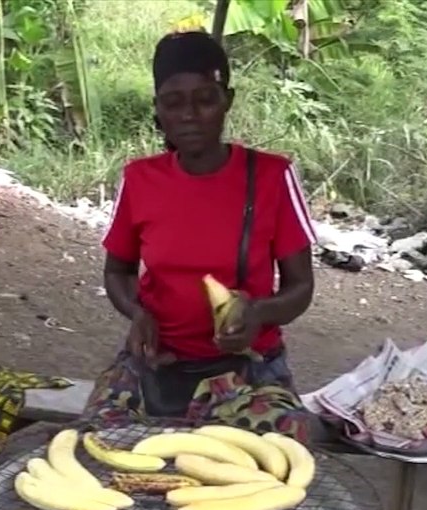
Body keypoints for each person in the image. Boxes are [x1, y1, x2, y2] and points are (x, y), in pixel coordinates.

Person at [85, 31, 317, 442]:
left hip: (248, 368)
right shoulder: (140, 180)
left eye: (205, 99)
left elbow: (300, 287)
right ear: (158, 110)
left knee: (284, 446)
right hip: (156, 365)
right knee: (98, 441)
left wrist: (258, 312)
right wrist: (139, 314)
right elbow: (117, 271)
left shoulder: (271, 177)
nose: (190, 114)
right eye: (174, 103)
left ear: (227, 99)